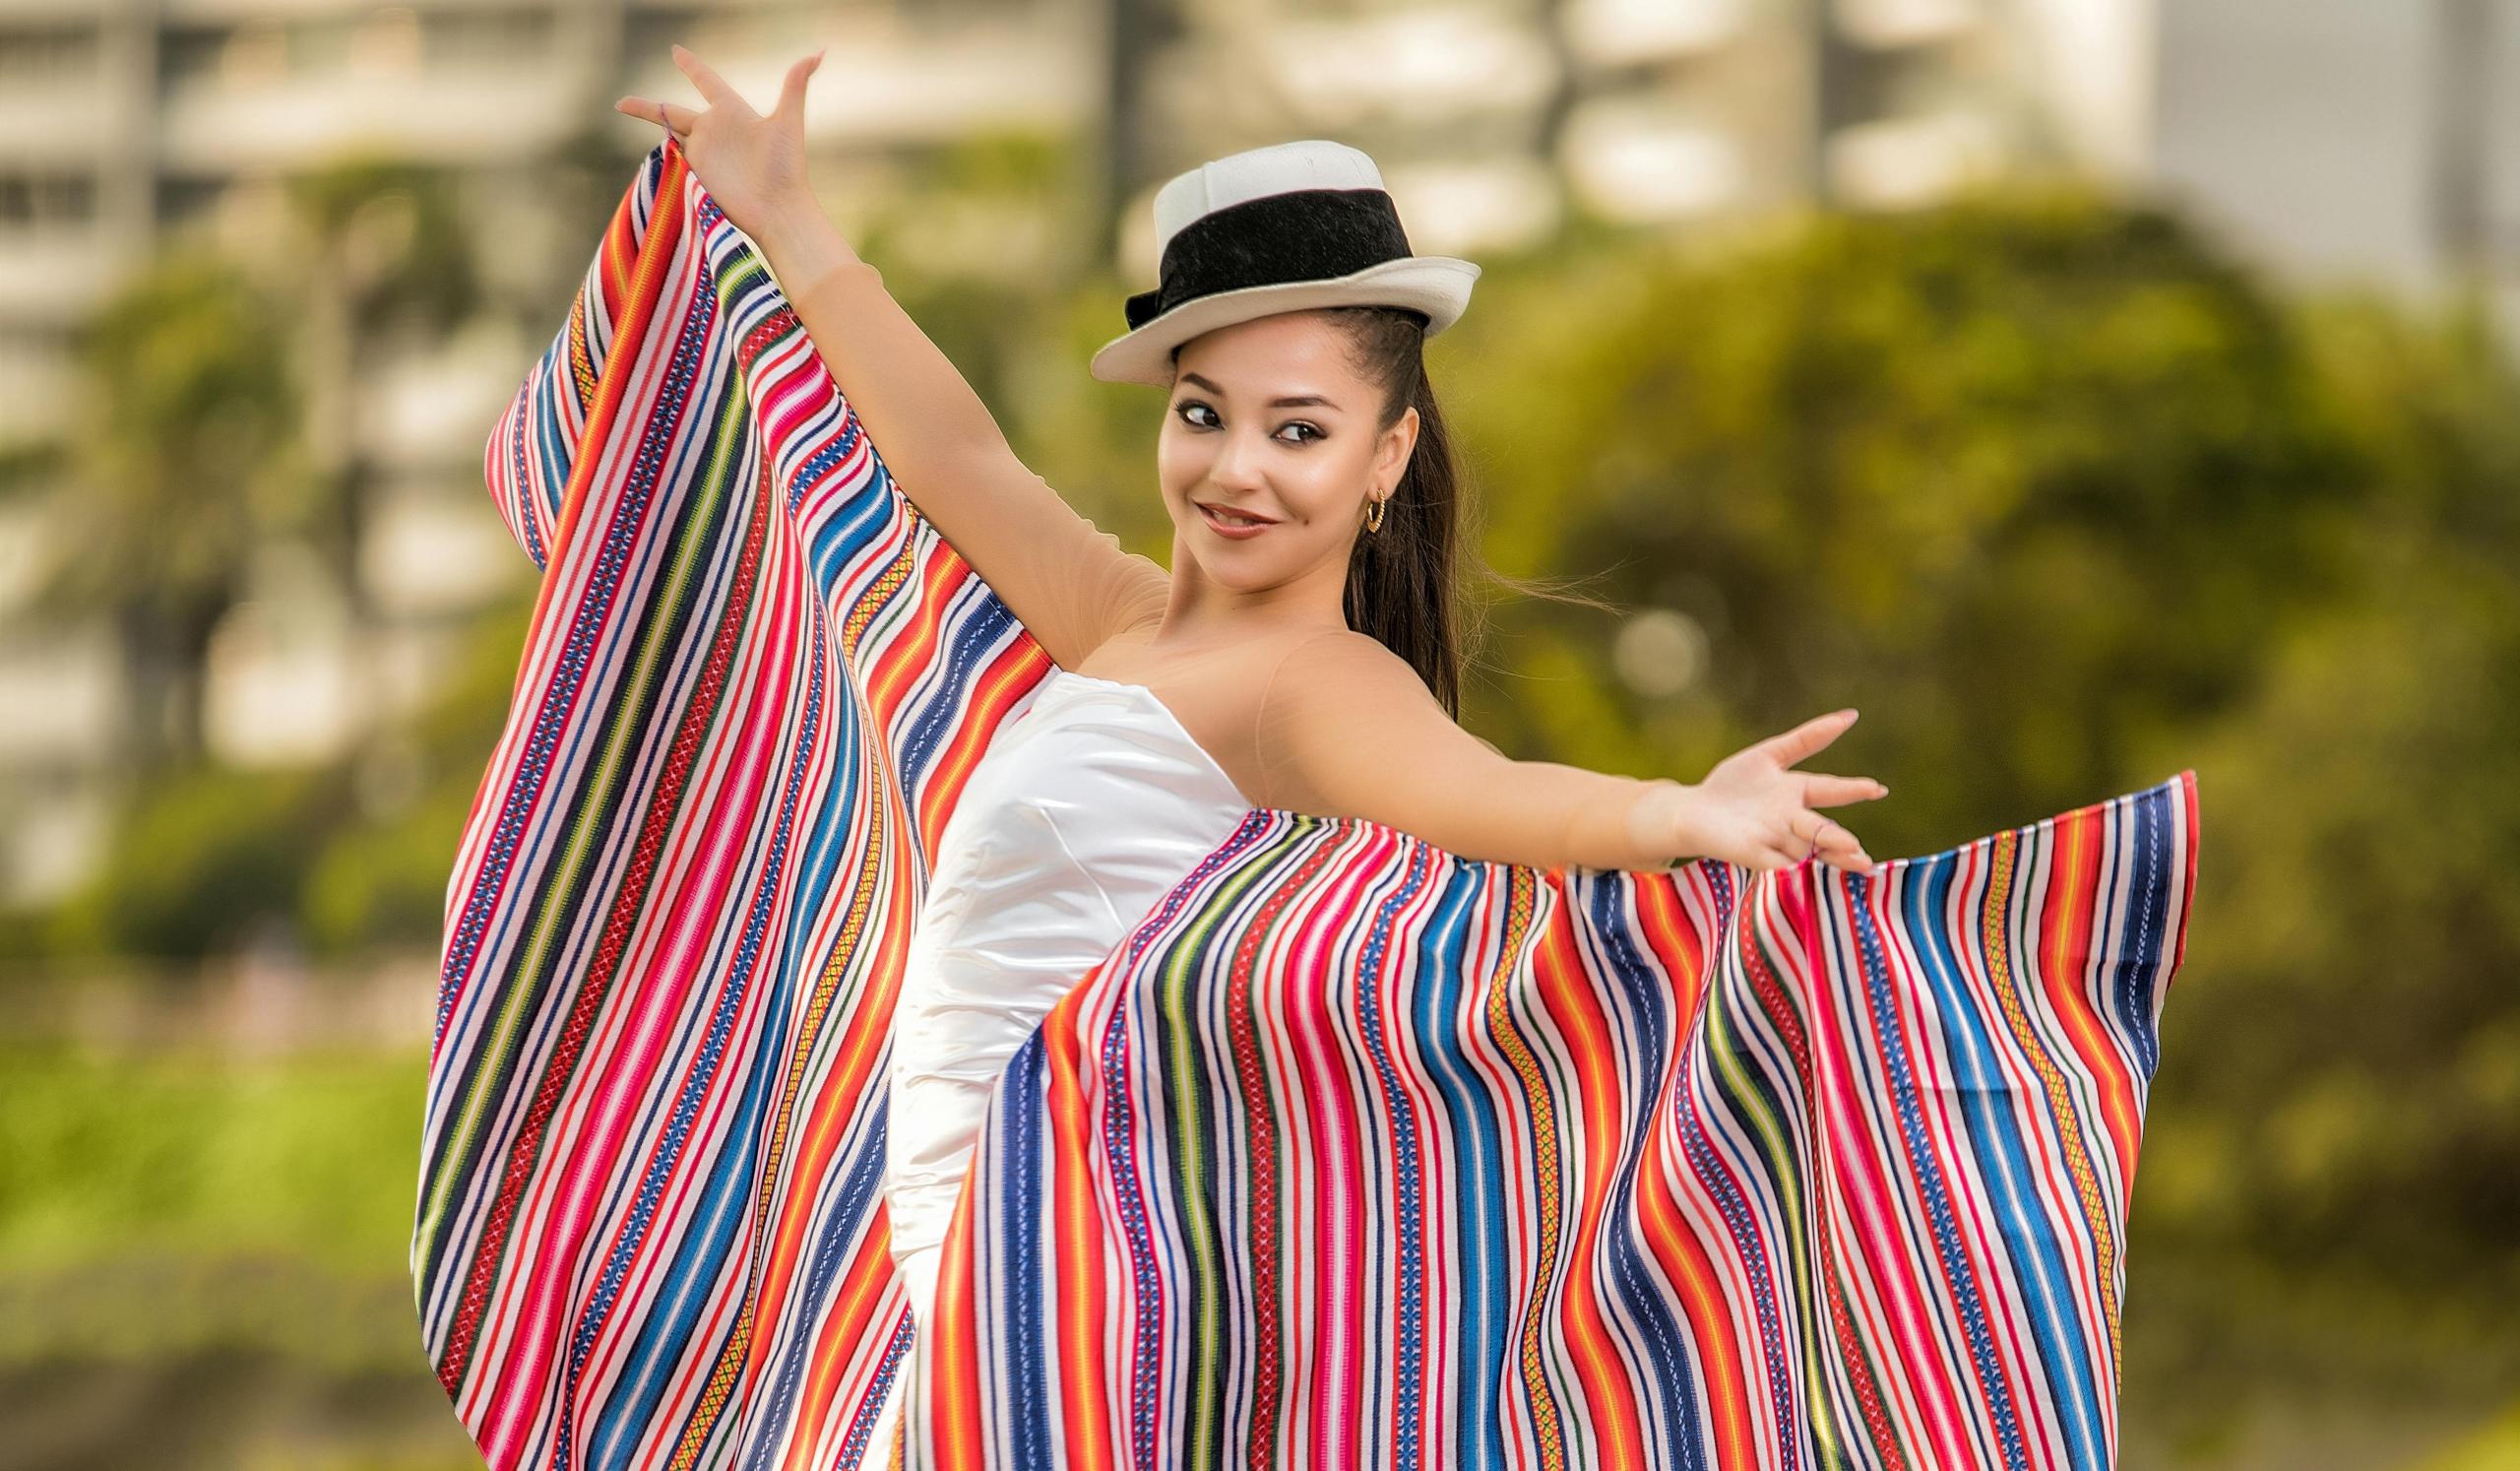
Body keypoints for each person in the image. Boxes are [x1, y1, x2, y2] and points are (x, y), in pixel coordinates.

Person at [620, 47, 1892, 1333]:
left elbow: (1489, 797)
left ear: (1386, 453)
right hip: (971, 1271)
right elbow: (955, 454)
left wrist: (1676, 811)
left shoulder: (1312, 683)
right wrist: (787, 212)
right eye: (1201, 414)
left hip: (1051, 1285)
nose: (1237, 470)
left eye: (1298, 431)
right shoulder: (1122, 624)